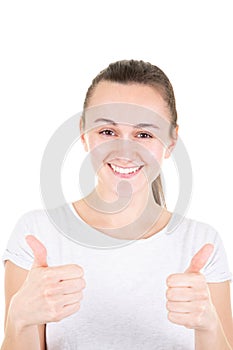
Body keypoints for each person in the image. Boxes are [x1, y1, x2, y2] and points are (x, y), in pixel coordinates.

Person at [1, 59, 233, 350]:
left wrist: (209, 326)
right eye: (107, 132)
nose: (125, 151)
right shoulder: (37, 234)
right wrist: (19, 320)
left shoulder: (201, 243)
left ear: (171, 141)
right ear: (84, 133)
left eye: (144, 134)